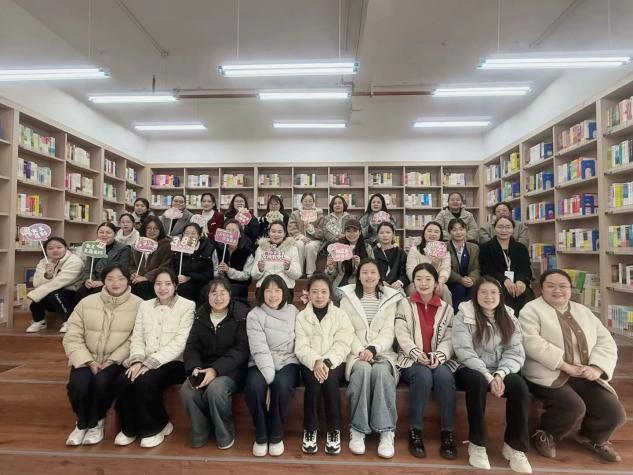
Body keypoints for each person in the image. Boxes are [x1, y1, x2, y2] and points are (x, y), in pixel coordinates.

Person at [520, 269, 626, 463]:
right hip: (547, 373)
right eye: (551, 286)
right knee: (573, 406)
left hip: (584, 374)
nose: (557, 290)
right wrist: (563, 364)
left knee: (614, 413)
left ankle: (593, 437)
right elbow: (531, 342)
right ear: (541, 288)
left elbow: (606, 341)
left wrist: (596, 368)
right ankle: (547, 434)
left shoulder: (583, 311)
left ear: (571, 289)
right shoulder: (531, 310)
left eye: (563, 286)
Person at [452, 276, 532, 473]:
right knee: (477, 383)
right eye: (484, 292)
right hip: (470, 368)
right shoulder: (464, 315)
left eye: (493, 292)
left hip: (499, 369)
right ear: (476, 295)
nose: (489, 297)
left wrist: (500, 374)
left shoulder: (509, 317)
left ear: (500, 295)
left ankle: (514, 446)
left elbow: (515, 352)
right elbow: (464, 351)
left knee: (520, 387)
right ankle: (477, 444)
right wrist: (488, 377)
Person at [62, 264, 143, 446]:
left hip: (116, 360)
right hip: (87, 357)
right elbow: (72, 335)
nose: (116, 283)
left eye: (121, 279)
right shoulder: (86, 302)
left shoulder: (139, 305)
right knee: (78, 386)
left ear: (128, 280)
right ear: (103, 280)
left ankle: (96, 422)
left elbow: (135, 337)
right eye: (110, 279)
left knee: (102, 382)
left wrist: (113, 359)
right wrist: (88, 361)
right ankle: (81, 423)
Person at [114, 269, 195, 448]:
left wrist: (150, 363)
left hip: (174, 362)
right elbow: (137, 337)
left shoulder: (187, 305)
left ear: (175, 285)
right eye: (158, 284)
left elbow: (180, 342)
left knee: (145, 381)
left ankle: (157, 426)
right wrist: (137, 361)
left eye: (167, 284)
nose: (162, 288)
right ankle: (129, 428)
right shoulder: (145, 305)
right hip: (144, 358)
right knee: (123, 380)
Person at [339, 259, 404, 459]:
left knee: (381, 371)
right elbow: (346, 330)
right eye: (365, 272)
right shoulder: (347, 299)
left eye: (373, 272)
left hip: (383, 352)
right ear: (358, 276)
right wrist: (361, 351)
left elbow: (389, 331)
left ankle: (386, 431)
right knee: (363, 370)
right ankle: (358, 430)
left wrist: (373, 349)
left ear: (379, 275)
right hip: (355, 353)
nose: (369, 276)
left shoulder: (390, 298)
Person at [395, 263, 457, 460]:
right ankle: (415, 432)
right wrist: (416, 353)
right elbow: (401, 333)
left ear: (436, 282)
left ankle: (447, 433)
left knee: (445, 377)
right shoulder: (404, 304)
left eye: (428, 279)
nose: (423, 283)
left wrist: (439, 356)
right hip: (410, 359)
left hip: (438, 359)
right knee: (422, 376)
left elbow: (449, 338)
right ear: (413, 282)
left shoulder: (447, 309)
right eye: (419, 279)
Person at [180, 277, 249, 449]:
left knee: (216, 390)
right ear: (207, 296)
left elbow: (241, 350)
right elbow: (192, 346)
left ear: (230, 294)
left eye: (222, 293)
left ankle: (224, 432)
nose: (218, 298)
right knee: (187, 390)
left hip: (232, 369)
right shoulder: (200, 315)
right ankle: (201, 430)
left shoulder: (241, 314)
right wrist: (195, 367)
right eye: (214, 293)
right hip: (204, 366)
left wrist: (215, 370)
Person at [295, 273, 354, 455]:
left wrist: (327, 361)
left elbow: (343, 342)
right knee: (313, 381)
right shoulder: (302, 317)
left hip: (334, 362)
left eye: (323, 291)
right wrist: (316, 361)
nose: (319, 296)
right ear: (308, 293)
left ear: (330, 294)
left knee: (329, 381)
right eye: (314, 291)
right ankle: (310, 429)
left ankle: (333, 430)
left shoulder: (340, 315)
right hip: (310, 362)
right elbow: (301, 346)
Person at [245, 275, 300, 457]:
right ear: (262, 293)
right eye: (268, 290)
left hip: (287, 360)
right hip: (259, 362)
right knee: (254, 386)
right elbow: (259, 349)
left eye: (277, 290)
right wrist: (269, 378)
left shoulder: (293, 311)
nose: (273, 295)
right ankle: (261, 434)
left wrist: (274, 381)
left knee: (282, 386)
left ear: (284, 292)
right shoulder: (254, 315)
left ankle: (276, 434)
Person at [26, 236, 83, 334]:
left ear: (66, 248)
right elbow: (36, 283)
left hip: (71, 294)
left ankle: (69, 321)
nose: (55, 250)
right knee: (39, 298)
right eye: (50, 248)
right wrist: (48, 276)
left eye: (59, 247)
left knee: (51, 294)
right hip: (51, 293)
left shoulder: (75, 261)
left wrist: (35, 294)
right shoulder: (44, 261)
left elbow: (60, 282)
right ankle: (39, 321)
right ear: (45, 250)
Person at [479, 216, 534, 315]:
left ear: (513, 229)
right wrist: (505, 280)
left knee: (526, 295)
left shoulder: (521, 248)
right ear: (494, 229)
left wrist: (520, 281)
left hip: (517, 283)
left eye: (508, 227)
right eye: (500, 227)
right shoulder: (486, 248)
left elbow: (526, 268)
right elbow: (487, 270)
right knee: (502, 293)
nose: (504, 230)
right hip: (496, 282)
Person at [76, 222, 131, 301]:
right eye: (101, 232)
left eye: (108, 232)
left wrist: (103, 282)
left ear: (115, 234)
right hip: (93, 281)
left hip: (112, 281)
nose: (104, 235)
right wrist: (88, 280)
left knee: (94, 295)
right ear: (97, 234)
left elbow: (123, 270)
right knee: (80, 292)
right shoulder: (92, 246)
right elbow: (88, 269)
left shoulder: (124, 248)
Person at [406, 221, 452, 305]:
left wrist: (440, 282)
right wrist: (432, 265)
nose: (433, 234)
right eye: (429, 231)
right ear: (424, 233)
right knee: (412, 289)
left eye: (436, 232)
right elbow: (410, 271)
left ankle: (448, 313)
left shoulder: (445, 252)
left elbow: (445, 269)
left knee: (444, 289)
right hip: (417, 282)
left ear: (440, 235)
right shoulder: (414, 250)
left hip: (436, 282)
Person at [251, 221, 302, 298]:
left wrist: (288, 268)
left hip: (285, 287)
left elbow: (297, 274)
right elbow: (254, 275)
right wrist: (260, 269)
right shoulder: (261, 248)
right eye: (273, 231)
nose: (276, 234)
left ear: (284, 233)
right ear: (269, 233)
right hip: (264, 286)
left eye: (280, 232)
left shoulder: (292, 249)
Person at [129, 216, 173, 300]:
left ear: (160, 230)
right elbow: (131, 265)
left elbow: (166, 266)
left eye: (155, 228)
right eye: (148, 228)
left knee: (142, 285)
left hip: (157, 279)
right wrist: (133, 273)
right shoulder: (137, 244)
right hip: (138, 278)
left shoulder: (167, 245)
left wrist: (146, 277)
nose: (152, 231)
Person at [212, 219, 255, 302]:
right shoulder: (217, 250)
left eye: (233, 230)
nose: (230, 233)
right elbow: (214, 272)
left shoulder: (248, 252)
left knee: (232, 291)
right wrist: (219, 272)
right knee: (206, 290)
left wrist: (229, 270)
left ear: (240, 235)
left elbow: (246, 275)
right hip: (221, 283)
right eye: (228, 230)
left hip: (239, 285)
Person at [325, 218, 372, 292]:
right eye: (348, 231)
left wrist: (359, 265)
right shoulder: (337, 247)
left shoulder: (367, 248)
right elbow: (332, 275)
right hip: (340, 284)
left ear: (360, 232)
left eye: (355, 231)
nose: (351, 234)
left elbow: (372, 270)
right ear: (344, 233)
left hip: (359, 285)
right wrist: (331, 268)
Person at [172, 223, 214, 302]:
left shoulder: (207, 249)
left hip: (198, 283)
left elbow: (209, 275)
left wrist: (189, 277)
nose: (190, 236)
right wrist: (174, 279)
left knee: (185, 289)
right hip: (178, 281)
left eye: (193, 233)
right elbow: (172, 267)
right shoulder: (177, 249)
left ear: (199, 236)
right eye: (187, 233)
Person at [288, 192, 324, 278]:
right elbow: (291, 228)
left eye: (310, 201)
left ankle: (310, 273)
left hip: (314, 240)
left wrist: (311, 229)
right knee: (299, 245)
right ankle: (298, 271)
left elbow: (322, 232)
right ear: (301, 202)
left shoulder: (319, 215)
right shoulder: (295, 214)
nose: (308, 203)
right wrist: (301, 237)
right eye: (305, 201)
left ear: (313, 202)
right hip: (298, 239)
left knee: (310, 246)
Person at [447, 218, 481, 309]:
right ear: (449, 232)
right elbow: (446, 268)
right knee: (459, 289)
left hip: (470, 281)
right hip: (452, 282)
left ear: (466, 230)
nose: (458, 232)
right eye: (454, 230)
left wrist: (471, 279)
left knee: (474, 288)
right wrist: (460, 279)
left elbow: (477, 267)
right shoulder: (444, 247)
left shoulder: (474, 247)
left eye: (461, 229)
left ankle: (472, 315)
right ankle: (456, 315)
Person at [373, 222, 409, 292]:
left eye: (388, 232)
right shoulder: (373, 252)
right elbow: (371, 271)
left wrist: (399, 282)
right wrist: (381, 281)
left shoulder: (400, 252)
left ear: (393, 234)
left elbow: (404, 272)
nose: (385, 235)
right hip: (377, 285)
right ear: (377, 235)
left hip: (396, 287)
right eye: (381, 233)